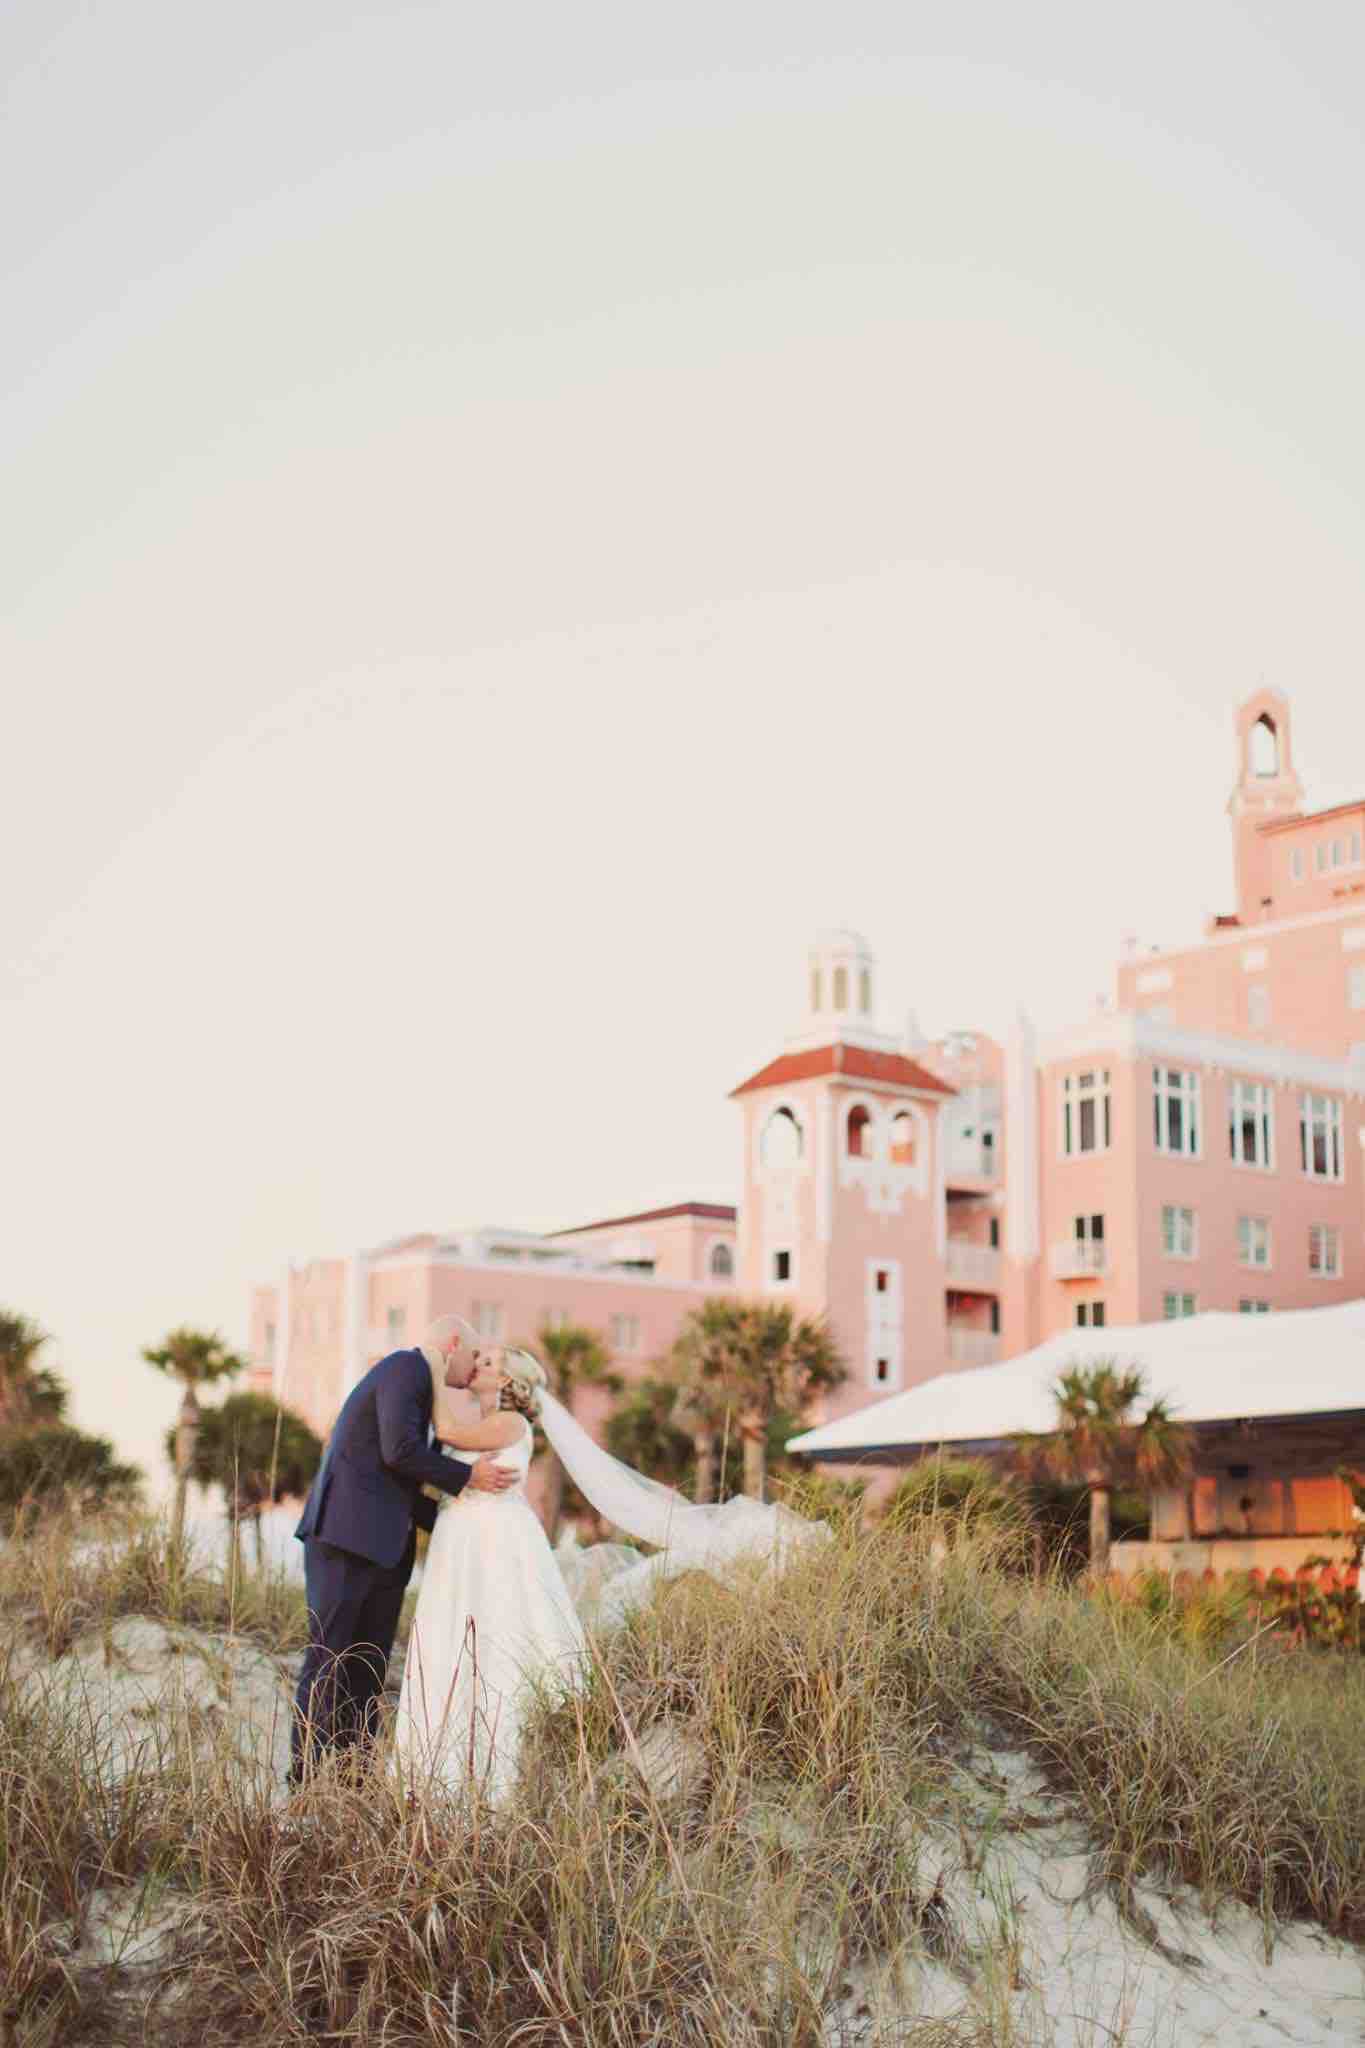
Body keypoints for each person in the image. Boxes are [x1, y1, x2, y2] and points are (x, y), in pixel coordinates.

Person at [289, 1314, 517, 1785]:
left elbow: (401, 1480)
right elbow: (400, 1451)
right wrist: (467, 1478)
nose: (474, 1367)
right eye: (473, 1355)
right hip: (345, 1540)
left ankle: (354, 1782)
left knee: (367, 1671)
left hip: (383, 1552)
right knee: (329, 1661)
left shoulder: (422, 1389)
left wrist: (468, 1525)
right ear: (452, 1344)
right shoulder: (404, 1370)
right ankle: (304, 1784)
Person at [393, 1347, 585, 1805]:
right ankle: (436, 1775)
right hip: (460, 1540)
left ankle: (492, 1786)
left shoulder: (512, 1423)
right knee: (446, 1645)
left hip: (489, 1544)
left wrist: (436, 1372)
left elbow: (448, 1433)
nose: (476, 1363)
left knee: (490, 1648)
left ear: (505, 1382)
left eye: (487, 1361)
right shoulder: (486, 1425)